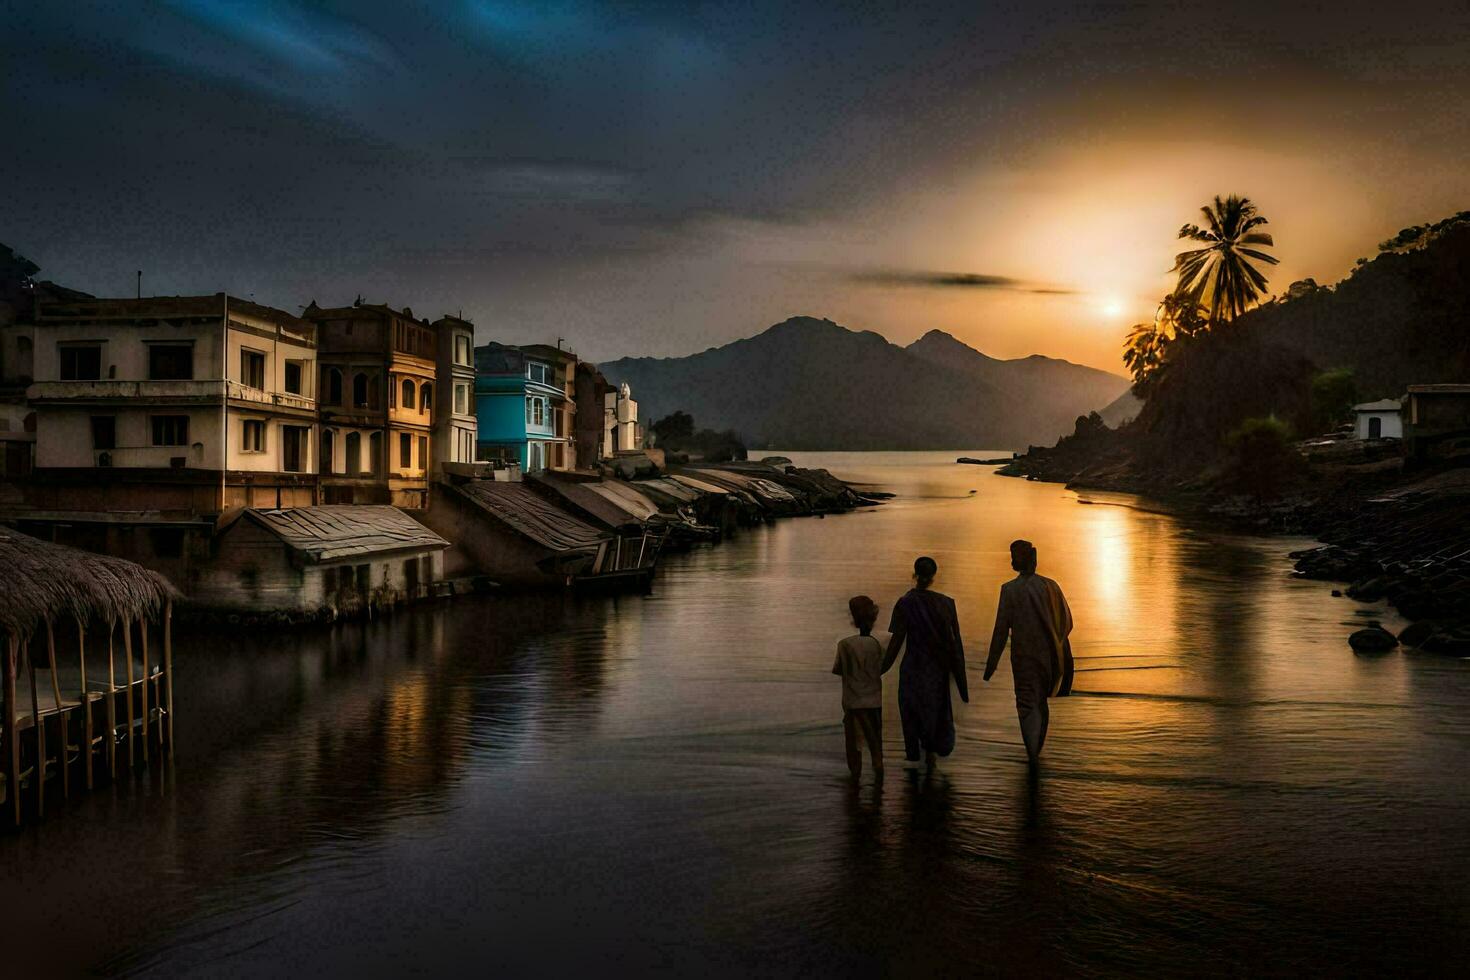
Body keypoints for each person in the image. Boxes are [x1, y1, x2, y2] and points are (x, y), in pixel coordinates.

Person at [984, 539, 1074, 764]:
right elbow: (1067, 623)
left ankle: (1032, 752)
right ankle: (1036, 751)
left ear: (1015, 561)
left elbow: (1001, 630)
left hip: (1023, 657)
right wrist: (1058, 645)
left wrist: (991, 664)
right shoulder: (1050, 586)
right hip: (1049, 655)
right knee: (1040, 701)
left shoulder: (1009, 590)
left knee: (1026, 702)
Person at [883, 557, 968, 769]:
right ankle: (930, 763)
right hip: (937, 670)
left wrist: (880, 669)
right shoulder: (947, 604)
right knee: (934, 714)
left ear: (915, 573)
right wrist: (961, 683)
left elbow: (896, 641)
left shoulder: (905, 602)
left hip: (913, 667)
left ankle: (915, 762)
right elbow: (956, 644)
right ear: (933, 576)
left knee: (913, 713)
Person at [832, 595, 888, 778]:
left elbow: (839, 670)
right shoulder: (878, 644)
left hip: (852, 703)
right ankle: (878, 790)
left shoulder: (845, 644)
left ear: (853, 618)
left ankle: (854, 788)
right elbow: (881, 668)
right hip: (874, 702)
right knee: (875, 747)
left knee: (854, 747)